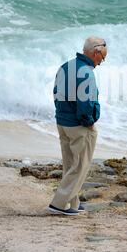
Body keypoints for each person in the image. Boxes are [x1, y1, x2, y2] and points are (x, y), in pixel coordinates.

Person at [49, 36, 107, 216]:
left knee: (70, 165)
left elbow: (56, 93)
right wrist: (89, 122)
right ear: (96, 52)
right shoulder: (87, 72)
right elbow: (86, 104)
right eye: (103, 56)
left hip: (62, 122)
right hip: (79, 126)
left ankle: (72, 202)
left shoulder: (66, 67)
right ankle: (59, 203)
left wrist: (62, 115)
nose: (102, 61)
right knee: (80, 165)